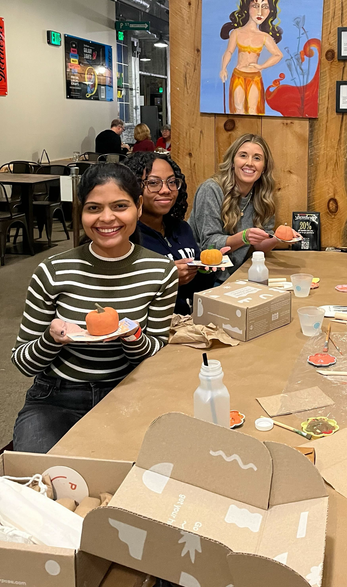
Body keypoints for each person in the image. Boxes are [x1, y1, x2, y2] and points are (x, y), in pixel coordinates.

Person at [11, 163, 178, 453]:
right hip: (56, 396)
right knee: (37, 482)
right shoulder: (52, 271)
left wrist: (133, 337)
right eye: (94, 208)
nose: (107, 218)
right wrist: (52, 338)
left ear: (138, 206)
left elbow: (156, 354)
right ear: (81, 211)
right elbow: (23, 362)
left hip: (127, 392)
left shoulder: (160, 271)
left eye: (120, 205)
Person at [125, 152, 229, 315]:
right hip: (151, 330)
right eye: (153, 183)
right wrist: (165, 281)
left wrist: (206, 269)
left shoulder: (182, 229)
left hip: (186, 323)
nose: (166, 190)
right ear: (133, 187)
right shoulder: (127, 238)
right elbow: (122, 299)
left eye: (172, 182)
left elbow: (196, 289)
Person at [189, 133, 280, 282]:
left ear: (263, 167)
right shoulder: (211, 189)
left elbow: (260, 246)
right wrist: (244, 237)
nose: (250, 163)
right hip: (206, 277)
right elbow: (209, 244)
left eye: (257, 158)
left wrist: (277, 238)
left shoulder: (263, 195)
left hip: (239, 275)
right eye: (243, 156)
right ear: (232, 162)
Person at [219, 0, 284, 115]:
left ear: (270, 9)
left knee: (254, 111)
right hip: (238, 75)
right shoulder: (236, 33)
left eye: (265, 6)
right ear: (247, 6)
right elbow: (229, 52)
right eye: (255, 5)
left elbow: (278, 55)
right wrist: (223, 68)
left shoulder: (265, 36)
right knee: (238, 110)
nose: (260, 11)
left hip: (255, 77)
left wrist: (262, 66)